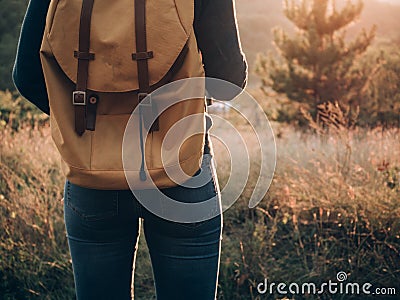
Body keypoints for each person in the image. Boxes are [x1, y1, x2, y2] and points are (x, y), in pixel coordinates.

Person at [13, 0, 247, 299]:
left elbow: (27, 77)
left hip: (92, 171)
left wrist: (85, 119)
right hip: (182, 169)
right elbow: (227, 83)